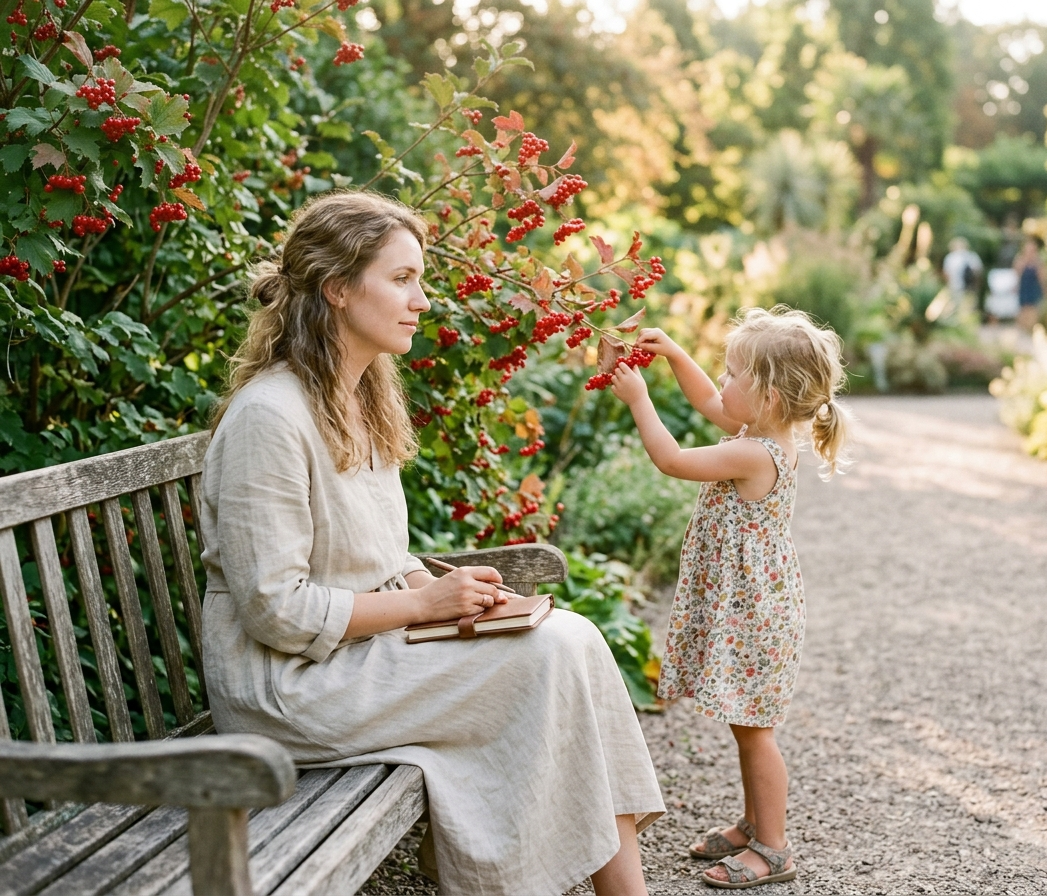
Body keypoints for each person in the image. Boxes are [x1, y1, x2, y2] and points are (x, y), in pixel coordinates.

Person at [199, 191, 663, 896]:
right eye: (402, 279)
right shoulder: (270, 417)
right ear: (337, 289)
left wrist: (453, 595)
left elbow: (384, 560)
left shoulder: (357, 399)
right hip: (288, 689)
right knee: (548, 657)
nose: (422, 301)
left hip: (353, 659)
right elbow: (277, 611)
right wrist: (424, 607)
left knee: (574, 639)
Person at [610, 307, 851, 889]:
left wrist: (639, 399)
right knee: (747, 726)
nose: (723, 381)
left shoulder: (756, 454)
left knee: (754, 730)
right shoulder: (759, 431)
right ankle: (753, 824)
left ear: (769, 397)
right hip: (751, 605)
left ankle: (774, 849)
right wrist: (673, 354)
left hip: (755, 613)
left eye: (734, 373)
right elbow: (712, 403)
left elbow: (672, 461)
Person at [942, 236, 983, 319]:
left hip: (955, 285)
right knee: (969, 307)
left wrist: (947, 285)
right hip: (970, 286)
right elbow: (978, 272)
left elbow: (946, 274)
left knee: (956, 305)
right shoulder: (972, 256)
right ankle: (968, 320)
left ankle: (959, 321)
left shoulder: (950, 258)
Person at [1014, 237, 1046, 332]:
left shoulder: (1038, 262)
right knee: (1023, 310)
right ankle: (1022, 330)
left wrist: (1045, 289)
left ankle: (1030, 330)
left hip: (1034, 288)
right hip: (1024, 287)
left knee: (1033, 310)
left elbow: (1042, 277)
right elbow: (1017, 274)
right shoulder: (1020, 260)